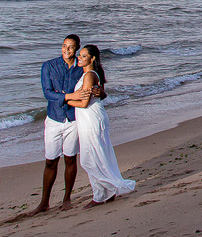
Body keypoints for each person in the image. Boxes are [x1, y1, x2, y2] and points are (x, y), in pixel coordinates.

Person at [30, 35, 101, 214]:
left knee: (70, 159)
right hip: (54, 119)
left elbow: (96, 86)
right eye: (64, 46)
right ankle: (44, 202)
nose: (66, 50)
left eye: (70, 47)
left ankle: (67, 198)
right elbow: (47, 93)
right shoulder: (49, 66)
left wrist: (99, 92)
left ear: (76, 49)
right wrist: (69, 96)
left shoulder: (81, 68)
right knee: (50, 161)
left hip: (74, 120)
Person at [68, 44, 135, 206]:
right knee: (96, 155)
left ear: (92, 59)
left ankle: (104, 192)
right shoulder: (88, 74)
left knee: (89, 158)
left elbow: (84, 103)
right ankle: (104, 193)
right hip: (89, 118)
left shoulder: (90, 75)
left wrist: (67, 100)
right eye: (80, 55)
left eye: (83, 56)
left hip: (91, 118)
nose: (79, 57)